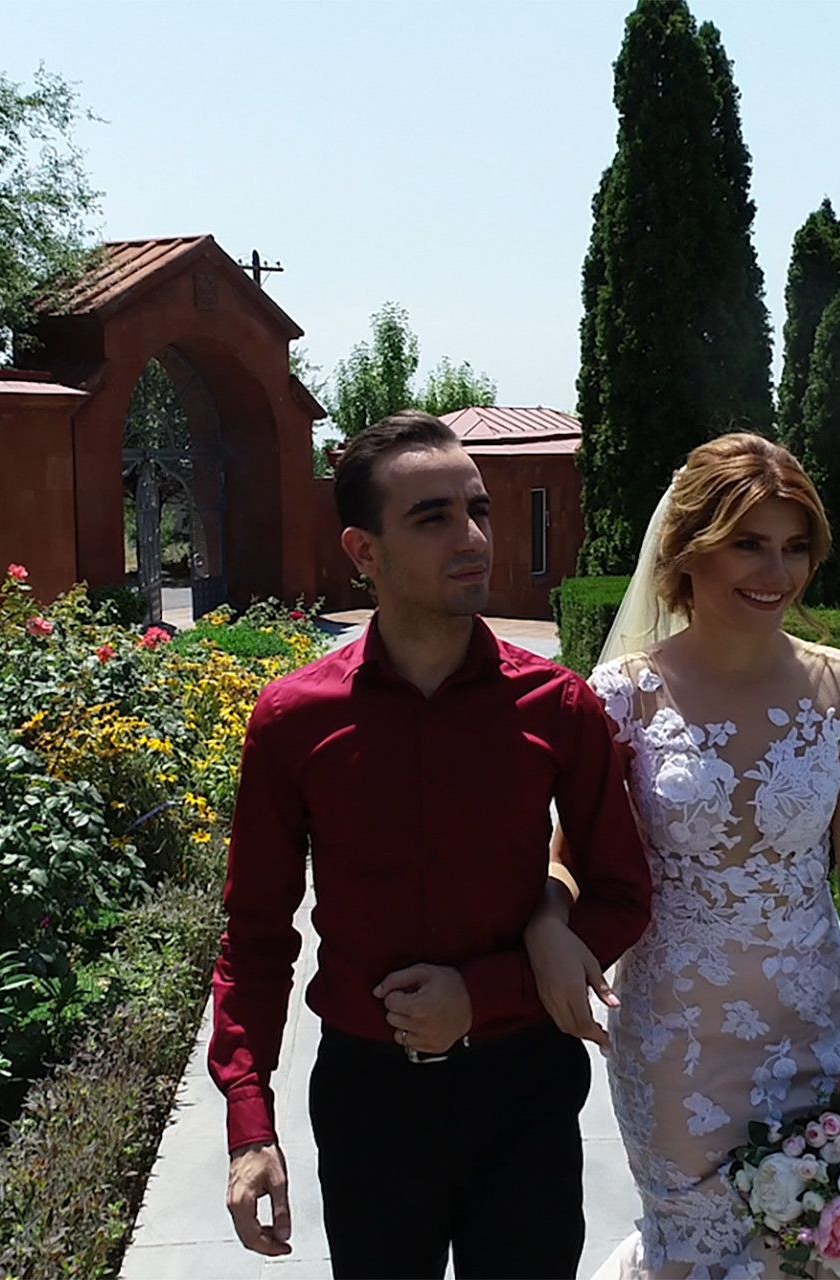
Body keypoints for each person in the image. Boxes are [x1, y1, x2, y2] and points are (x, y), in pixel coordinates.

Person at [208, 411, 654, 1279]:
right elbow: (255, 938)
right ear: (363, 551)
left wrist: (484, 994)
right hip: (369, 1102)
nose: (472, 537)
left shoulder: (557, 706)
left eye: (477, 509)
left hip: (524, 1091)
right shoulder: (295, 720)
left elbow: (623, 892)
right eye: (432, 517)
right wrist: (249, 1126)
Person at [526, 433, 840, 1279]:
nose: (777, 572)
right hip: (673, 1040)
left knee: (815, 1252)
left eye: (794, 547)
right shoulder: (622, 697)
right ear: (689, 548)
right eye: (748, 544)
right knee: (696, 1248)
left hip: (810, 1026)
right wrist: (549, 924)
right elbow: (569, 858)